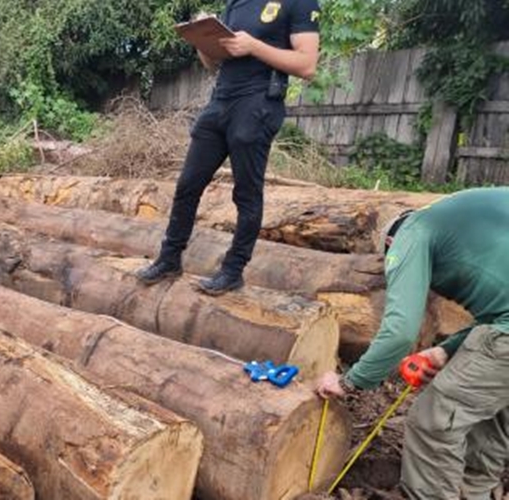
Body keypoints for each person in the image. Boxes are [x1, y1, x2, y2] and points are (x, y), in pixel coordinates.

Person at [316, 188, 509, 500]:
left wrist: (349, 382)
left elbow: (400, 332)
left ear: (390, 243)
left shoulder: (412, 233)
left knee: (433, 420)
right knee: (489, 413)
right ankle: (477, 493)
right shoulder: (462, 214)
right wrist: (445, 349)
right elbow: (498, 311)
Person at [135, 0, 321, 295]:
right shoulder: (235, 3)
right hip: (220, 100)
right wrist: (202, 39)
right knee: (187, 185)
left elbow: (308, 65)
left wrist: (254, 47)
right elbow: (214, 63)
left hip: (258, 102)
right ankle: (170, 259)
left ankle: (233, 270)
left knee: (246, 194)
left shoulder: (299, 2)